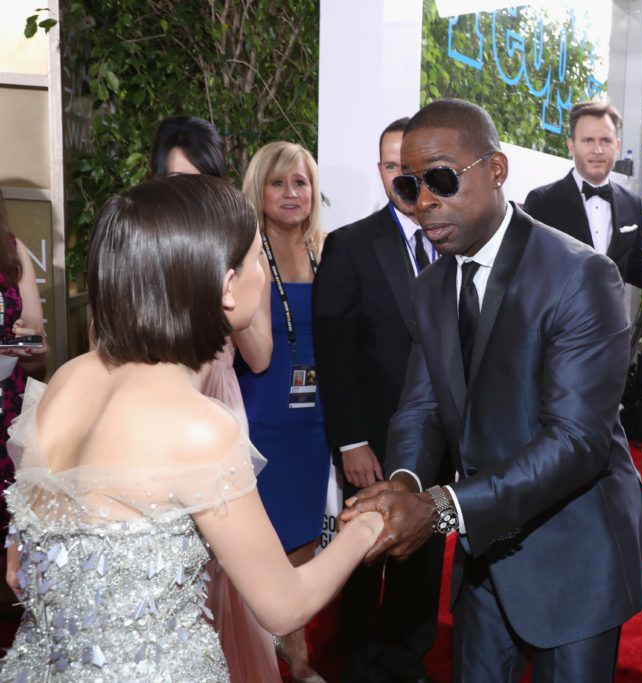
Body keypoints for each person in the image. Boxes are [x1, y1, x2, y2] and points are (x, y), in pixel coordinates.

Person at [0, 174, 382, 679]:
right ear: (227, 287)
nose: (264, 273)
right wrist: (371, 526)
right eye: (256, 259)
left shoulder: (69, 378)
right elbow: (284, 606)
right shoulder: (198, 428)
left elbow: (18, 568)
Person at [341, 98, 642, 682]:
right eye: (410, 186)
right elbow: (419, 406)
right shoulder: (431, 284)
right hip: (482, 552)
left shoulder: (581, 275)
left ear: (496, 170)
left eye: (441, 179)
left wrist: (440, 509)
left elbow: (576, 442)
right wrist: (405, 483)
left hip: (573, 552)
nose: (423, 204)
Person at [148, 115, 279, 682]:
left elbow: (261, 357)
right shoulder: (139, 243)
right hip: (152, 418)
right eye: (178, 180)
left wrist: (232, 283)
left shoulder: (242, 247)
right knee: (161, 564)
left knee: (224, 567)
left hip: (219, 412)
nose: (190, 195)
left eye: (202, 181)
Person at [313, 117, 443, 683]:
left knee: (424, 549)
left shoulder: (451, 240)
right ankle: (360, 657)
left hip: (440, 436)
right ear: (381, 172)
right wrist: (350, 440)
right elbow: (334, 354)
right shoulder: (350, 244)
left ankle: (406, 654)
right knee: (363, 553)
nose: (403, 177)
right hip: (370, 434)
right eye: (393, 166)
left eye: (413, 167)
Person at [238, 141, 329, 682]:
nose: (291, 193)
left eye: (300, 182)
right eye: (279, 183)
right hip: (260, 414)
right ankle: (250, 662)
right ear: (260, 190)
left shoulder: (327, 249)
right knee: (252, 549)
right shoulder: (244, 252)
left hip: (314, 422)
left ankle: (296, 659)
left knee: (302, 544)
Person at [522, 100, 642, 293]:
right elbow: (525, 272)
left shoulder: (632, 203)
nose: (598, 150)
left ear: (617, 145)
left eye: (606, 140)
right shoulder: (542, 202)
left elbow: (635, 266)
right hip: (557, 322)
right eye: (588, 140)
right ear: (571, 145)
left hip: (613, 321)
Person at [0, 190, 47, 541]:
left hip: (8, 413)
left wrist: (28, 339)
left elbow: (39, 347)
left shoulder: (13, 250)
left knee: (13, 531)